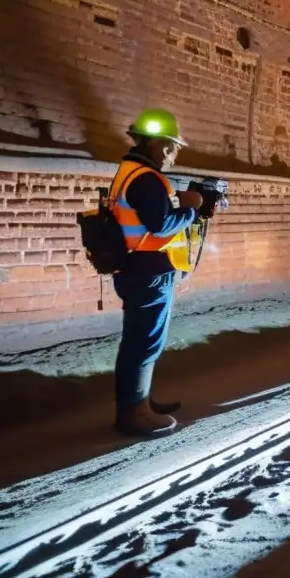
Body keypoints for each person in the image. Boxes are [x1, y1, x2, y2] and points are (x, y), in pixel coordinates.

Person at [110, 108, 203, 436]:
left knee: (138, 339)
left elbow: (149, 215)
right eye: (175, 148)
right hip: (148, 273)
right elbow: (161, 225)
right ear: (163, 146)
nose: (174, 155)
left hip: (136, 269)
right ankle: (135, 414)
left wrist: (180, 201)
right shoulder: (147, 178)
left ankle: (139, 402)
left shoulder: (130, 172)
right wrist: (192, 210)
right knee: (145, 341)